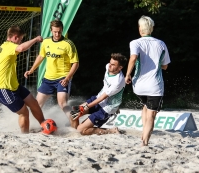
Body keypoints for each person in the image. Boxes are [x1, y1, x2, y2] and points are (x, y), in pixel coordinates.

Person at [0, 25, 45, 134]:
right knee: (24, 112)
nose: (20, 41)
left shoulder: (2, 48)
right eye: (20, 39)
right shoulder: (9, 46)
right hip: (3, 90)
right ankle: (24, 136)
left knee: (34, 103)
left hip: (14, 86)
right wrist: (36, 39)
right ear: (15, 37)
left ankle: (44, 125)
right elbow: (21, 48)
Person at [24, 20, 79, 128]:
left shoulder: (68, 44)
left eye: (59, 32)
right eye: (55, 32)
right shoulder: (46, 42)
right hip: (48, 78)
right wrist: (31, 69)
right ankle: (34, 125)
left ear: (62, 30)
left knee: (62, 103)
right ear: (51, 31)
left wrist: (67, 78)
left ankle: (74, 124)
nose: (57, 34)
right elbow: (41, 56)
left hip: (63, 77)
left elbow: (76, 63)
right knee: (36, 104)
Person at [125, 15, 171, 146]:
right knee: (152, 115)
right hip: (154, 86)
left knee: (146, 105)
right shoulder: (161, 44)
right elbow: (165, 66)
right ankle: (144, 142)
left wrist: (127, 74)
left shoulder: (135, 42)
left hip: (138, 85)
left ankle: (144, 132)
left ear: (140, 29)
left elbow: (133, 58)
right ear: (152, 28)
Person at [71, 53, 127, 135]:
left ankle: (111, 131)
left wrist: (86, 107)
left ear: (120, 67)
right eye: (110, 63)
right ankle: (74, 135)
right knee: (74, 114)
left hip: (107, 108)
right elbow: (101, 97)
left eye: (113, 64)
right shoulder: (108, 66)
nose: (110, 65)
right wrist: (81, 108)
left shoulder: (118, 81)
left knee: (81, 130)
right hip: (98, 99)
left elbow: (103, 97)